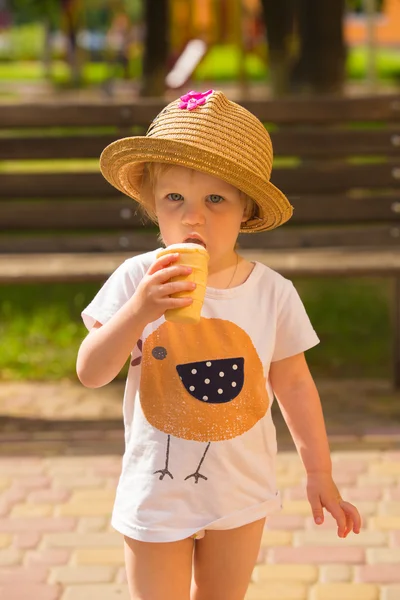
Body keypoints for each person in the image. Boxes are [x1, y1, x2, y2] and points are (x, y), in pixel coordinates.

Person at [76, 89, 362, 600]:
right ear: (153, 207)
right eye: (175, 200)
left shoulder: (272, 291)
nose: (194, 218)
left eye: (215, 199)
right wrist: (140, 310)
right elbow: (91, 371)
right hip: (155, 492)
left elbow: (294, 382)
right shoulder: (137, 279)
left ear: (245, 209)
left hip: (240, 491)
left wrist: (319, 472)